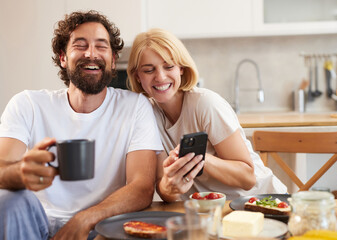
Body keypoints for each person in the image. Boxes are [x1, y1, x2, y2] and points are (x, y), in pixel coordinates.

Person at [0, 11, 163, 240]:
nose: (91, 53)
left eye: (101, 46)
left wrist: (84, 219)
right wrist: (19, 172)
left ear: (113, 59)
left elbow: (142, 188)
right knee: (8, 199)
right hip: (36, 224)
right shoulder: (28, 104)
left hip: (101, 224)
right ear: (63, 57)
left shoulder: (135, 106)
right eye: (80, 45)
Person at [127, 28, 287, 202]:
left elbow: (248, 178)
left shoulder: (205, 104)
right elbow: (167, 192)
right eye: (149, 70)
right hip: (209, 211)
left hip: (263, 202)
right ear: (137, 76)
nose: (160, 77)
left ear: (181, 68)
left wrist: (200, 158)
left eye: (169, 66)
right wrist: (169, 184)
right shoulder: (146, 115)